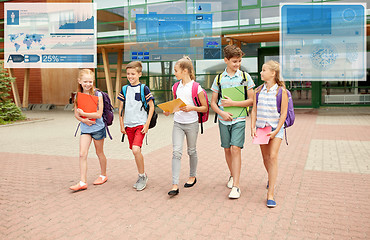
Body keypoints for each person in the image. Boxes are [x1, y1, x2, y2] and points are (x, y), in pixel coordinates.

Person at [210, 45, 255, 199]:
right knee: (227, 149)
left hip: (239, 119)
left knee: (236, 148)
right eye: (234, 61)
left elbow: (251, 101)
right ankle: (232, 174)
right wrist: (222, 112)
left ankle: (236, 186)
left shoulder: (245, 77)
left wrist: (233, 103)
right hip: (223, 120)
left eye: (239, 61)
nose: (237, 64)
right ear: (226, 60)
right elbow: (213, 103)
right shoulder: (219, 79)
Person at [163, 56, 208, 196]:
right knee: (176, 152)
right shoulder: (175, 87)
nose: (174, 73)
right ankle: (175, 185)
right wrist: (167, 110)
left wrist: (192, 108)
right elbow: (174, 105)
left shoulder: (196, 87)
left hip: (192, 124)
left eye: (176, 70)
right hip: (178, 123)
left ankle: (192, 176)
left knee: (192, 151)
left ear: (185, 71)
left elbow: (205, 108)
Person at [250, 60, 288, 208]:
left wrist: (277, 130)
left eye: (264, 70)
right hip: (261, 128)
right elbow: (254, 110)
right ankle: (271, 177)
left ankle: (270, 193)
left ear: (273, 73)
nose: (261, 72)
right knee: (265, 158)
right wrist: (252, 127)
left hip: (276, 128)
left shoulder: (281, 91)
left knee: (272, 156)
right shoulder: (258, 90)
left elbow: (284, 113)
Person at [118, 61, 155, 191]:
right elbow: (120, 108)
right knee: (134, 151)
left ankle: (142, 176)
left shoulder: (144, 88)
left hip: (140, 124)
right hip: (128, 126)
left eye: (133, 74)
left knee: (136, 150)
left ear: (139, 74)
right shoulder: (124, 89)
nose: (130, 76)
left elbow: (151, 106)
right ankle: (142, 174)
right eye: (128, 74)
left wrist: (147, 124)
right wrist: (121, 124)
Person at [70, 69, 108, 191]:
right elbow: (76, 114)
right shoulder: (77, 96)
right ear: (79, 81)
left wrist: (85, 114)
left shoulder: (98, 94)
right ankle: (82, 182)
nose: (88, 84)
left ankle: (103, 175)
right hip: (85, 128)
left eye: (90, 81)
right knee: (82, 154)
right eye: (85, 81)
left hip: (98, 128)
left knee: (99, 152)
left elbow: (98, 114)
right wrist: (84, 120)